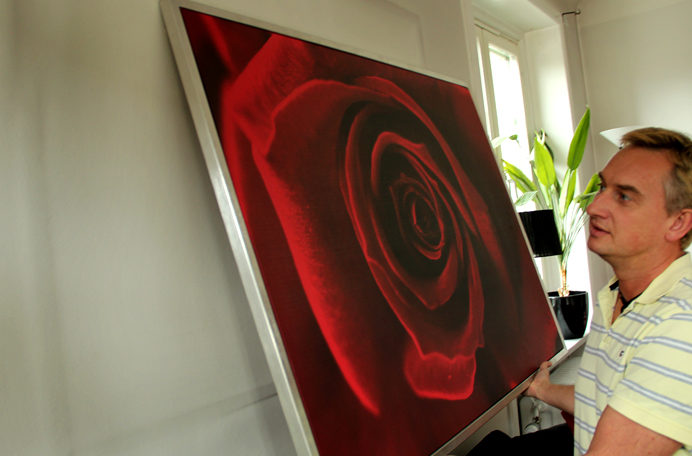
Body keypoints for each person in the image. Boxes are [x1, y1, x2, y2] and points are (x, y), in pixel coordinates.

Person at [468, 127, 692, 456]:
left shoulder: (680, 324)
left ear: (678, 223)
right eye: (602, 188)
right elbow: (604, 399)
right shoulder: (617, 295)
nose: (594, 206)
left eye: (625, 196)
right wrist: (543, 390)